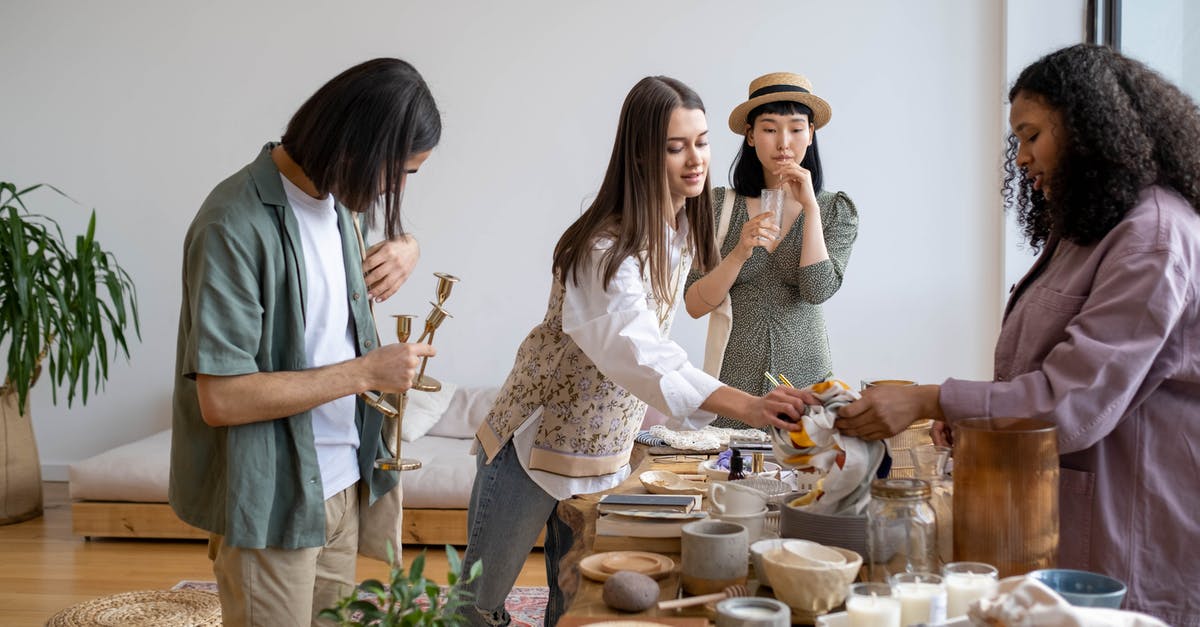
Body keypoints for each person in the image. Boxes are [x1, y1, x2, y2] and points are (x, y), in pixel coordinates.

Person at [836, 44, 1200, 625]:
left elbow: (1069, 399)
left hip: (1130, 529)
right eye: (1018, 141)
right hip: (1066, 516)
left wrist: (932, 398)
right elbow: (1044, 373)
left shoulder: (1152, 236)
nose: (1022, 157)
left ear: (1089, 128)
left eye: (1032, 136)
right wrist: (973, 417)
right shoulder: (1093, 226)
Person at [460, 76, 817, 627]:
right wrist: (746, 404)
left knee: (576, 606)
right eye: (676, 147)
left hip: (604, 451)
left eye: (701, 141)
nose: (695, 159)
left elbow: (658, 348)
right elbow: (637, 350)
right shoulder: (604, 245)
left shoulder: (675, 232)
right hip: (532, 452)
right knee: (476, 609)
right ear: (642, 156)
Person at [169, 58, 440, 626]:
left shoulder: (338, 206)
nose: (397, 187)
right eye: (401, 171)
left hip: (342, 483)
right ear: (356, 145)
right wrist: (367, 372)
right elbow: (223, 400)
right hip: (274, 496)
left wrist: (409, 243)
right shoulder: (232, 225)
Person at [683, 72, 859, 428]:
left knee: (807, 478)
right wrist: (739, 252)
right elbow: (694, 304)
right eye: (769, 128)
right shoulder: (717, 206)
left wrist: (809, 209)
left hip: (808, 388)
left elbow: (817, 289)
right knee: (728, 480)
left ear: (811, 134)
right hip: (735, 393)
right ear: (750, 135)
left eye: (796, 128)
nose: (784, 142)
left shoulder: (835, 209)